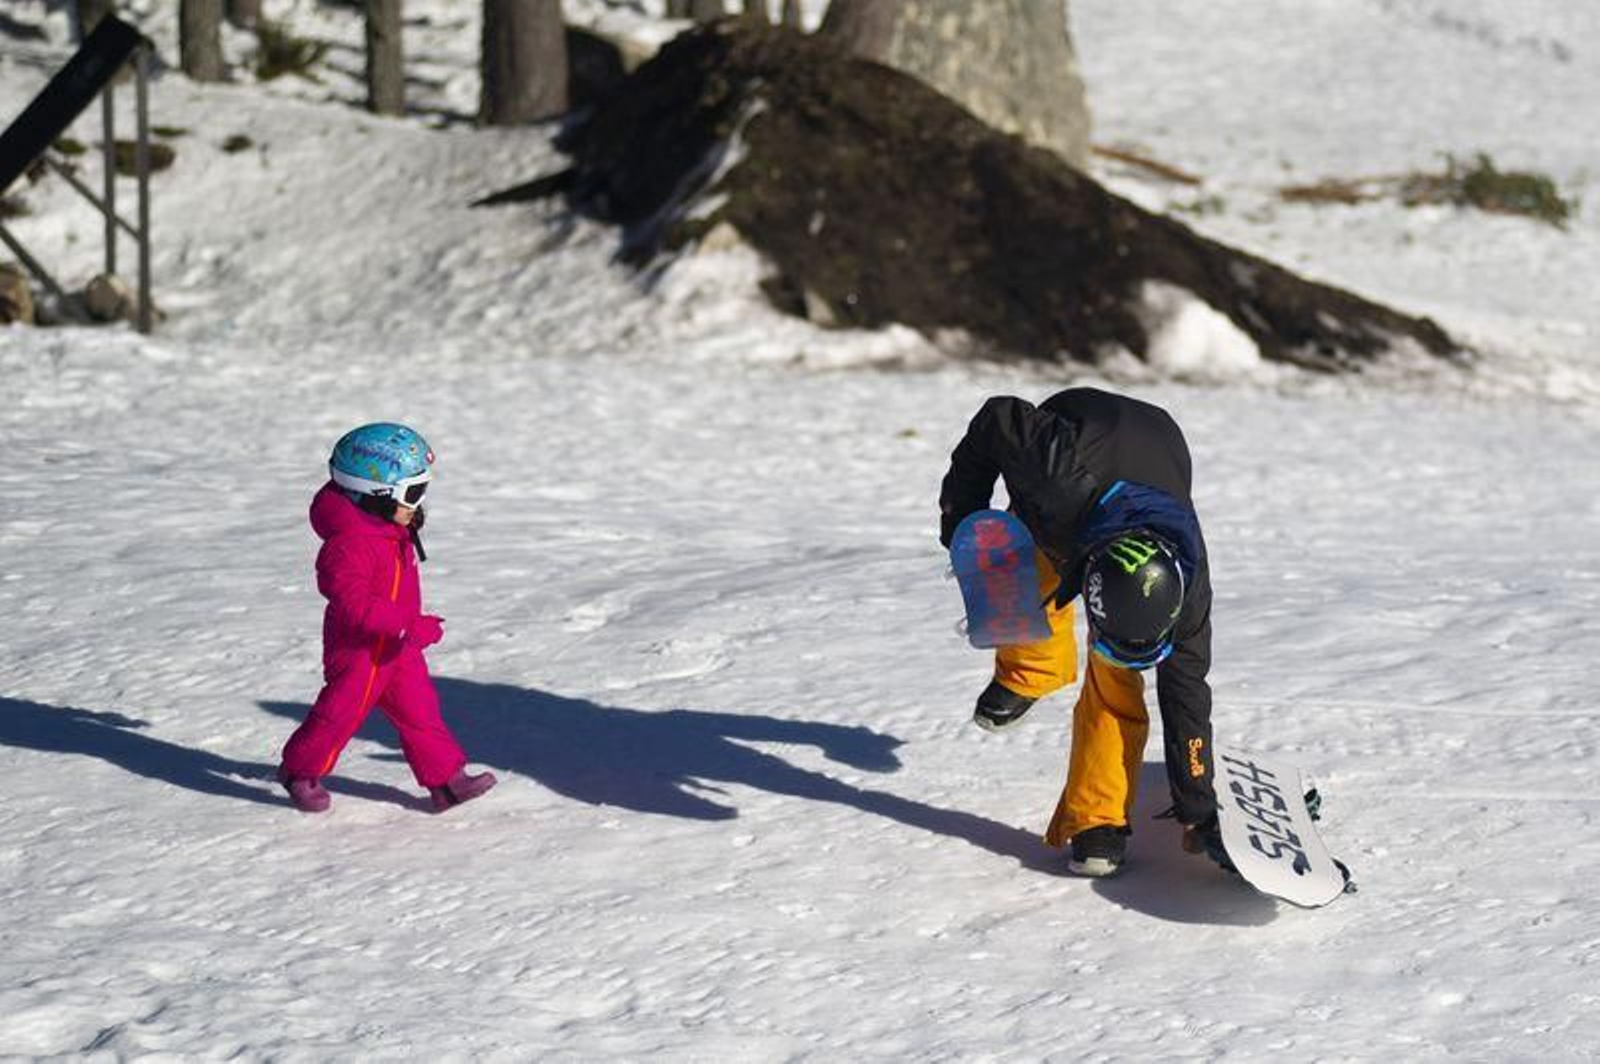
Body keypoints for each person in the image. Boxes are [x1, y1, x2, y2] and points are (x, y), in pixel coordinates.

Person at [939, 387, 1226, 877]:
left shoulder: (1188, 594)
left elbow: (1186, 697)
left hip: (1154, 452)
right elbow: (998, 415)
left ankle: (1099, 820)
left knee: (1114, 677)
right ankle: (1032, 670)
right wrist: (964, 516)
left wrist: (1199, 809)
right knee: (1014, 567)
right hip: (1069, 465)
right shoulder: (1053, 473)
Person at [277, 423, 497, 814]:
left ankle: (447, 781)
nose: (420, 502)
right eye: (413, 493)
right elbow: (352, 604)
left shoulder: (387, 529)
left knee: (421, 711)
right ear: (373, 496)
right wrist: (408, 624)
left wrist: (405, 631)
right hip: (359, 649)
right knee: (339, 715)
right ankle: (299, 771)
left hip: (398, 647)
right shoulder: (348, 545)